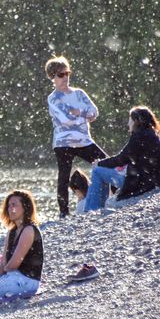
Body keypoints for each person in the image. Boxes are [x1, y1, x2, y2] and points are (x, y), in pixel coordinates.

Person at [45, 56, 108, 218]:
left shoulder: (79, 93)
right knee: (63, 179)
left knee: (108, 164)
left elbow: (94, 112)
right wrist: (83, 115)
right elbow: (65, 119)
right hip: (63, 144)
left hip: (84, 141)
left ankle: (114, 198)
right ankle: (64, 213)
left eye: (67, 73)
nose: (65, 77)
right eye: (61, 75)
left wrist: (79, 113)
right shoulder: (53, 99)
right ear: (53, 77)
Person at [83, 105, 160, 211]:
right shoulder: (152, 135)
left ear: (137, 121)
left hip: (141, 183)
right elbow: (127, 159)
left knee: (97, 171)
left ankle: (92, 209)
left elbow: (121, 159)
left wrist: (99, 163)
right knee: (104, 169)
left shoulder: (139, 136)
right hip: (154, 181)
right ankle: (97, 207)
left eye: (130, 121)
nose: (128, 124)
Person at [0, 190, 44, 305]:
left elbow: (13, 264)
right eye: (8, 205)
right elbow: (3, 264)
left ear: (25, 208)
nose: (10, 208)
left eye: (14, 205)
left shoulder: (29, 230)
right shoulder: (12, 232)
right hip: (12, 275)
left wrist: (5, 268)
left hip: (27, 280)